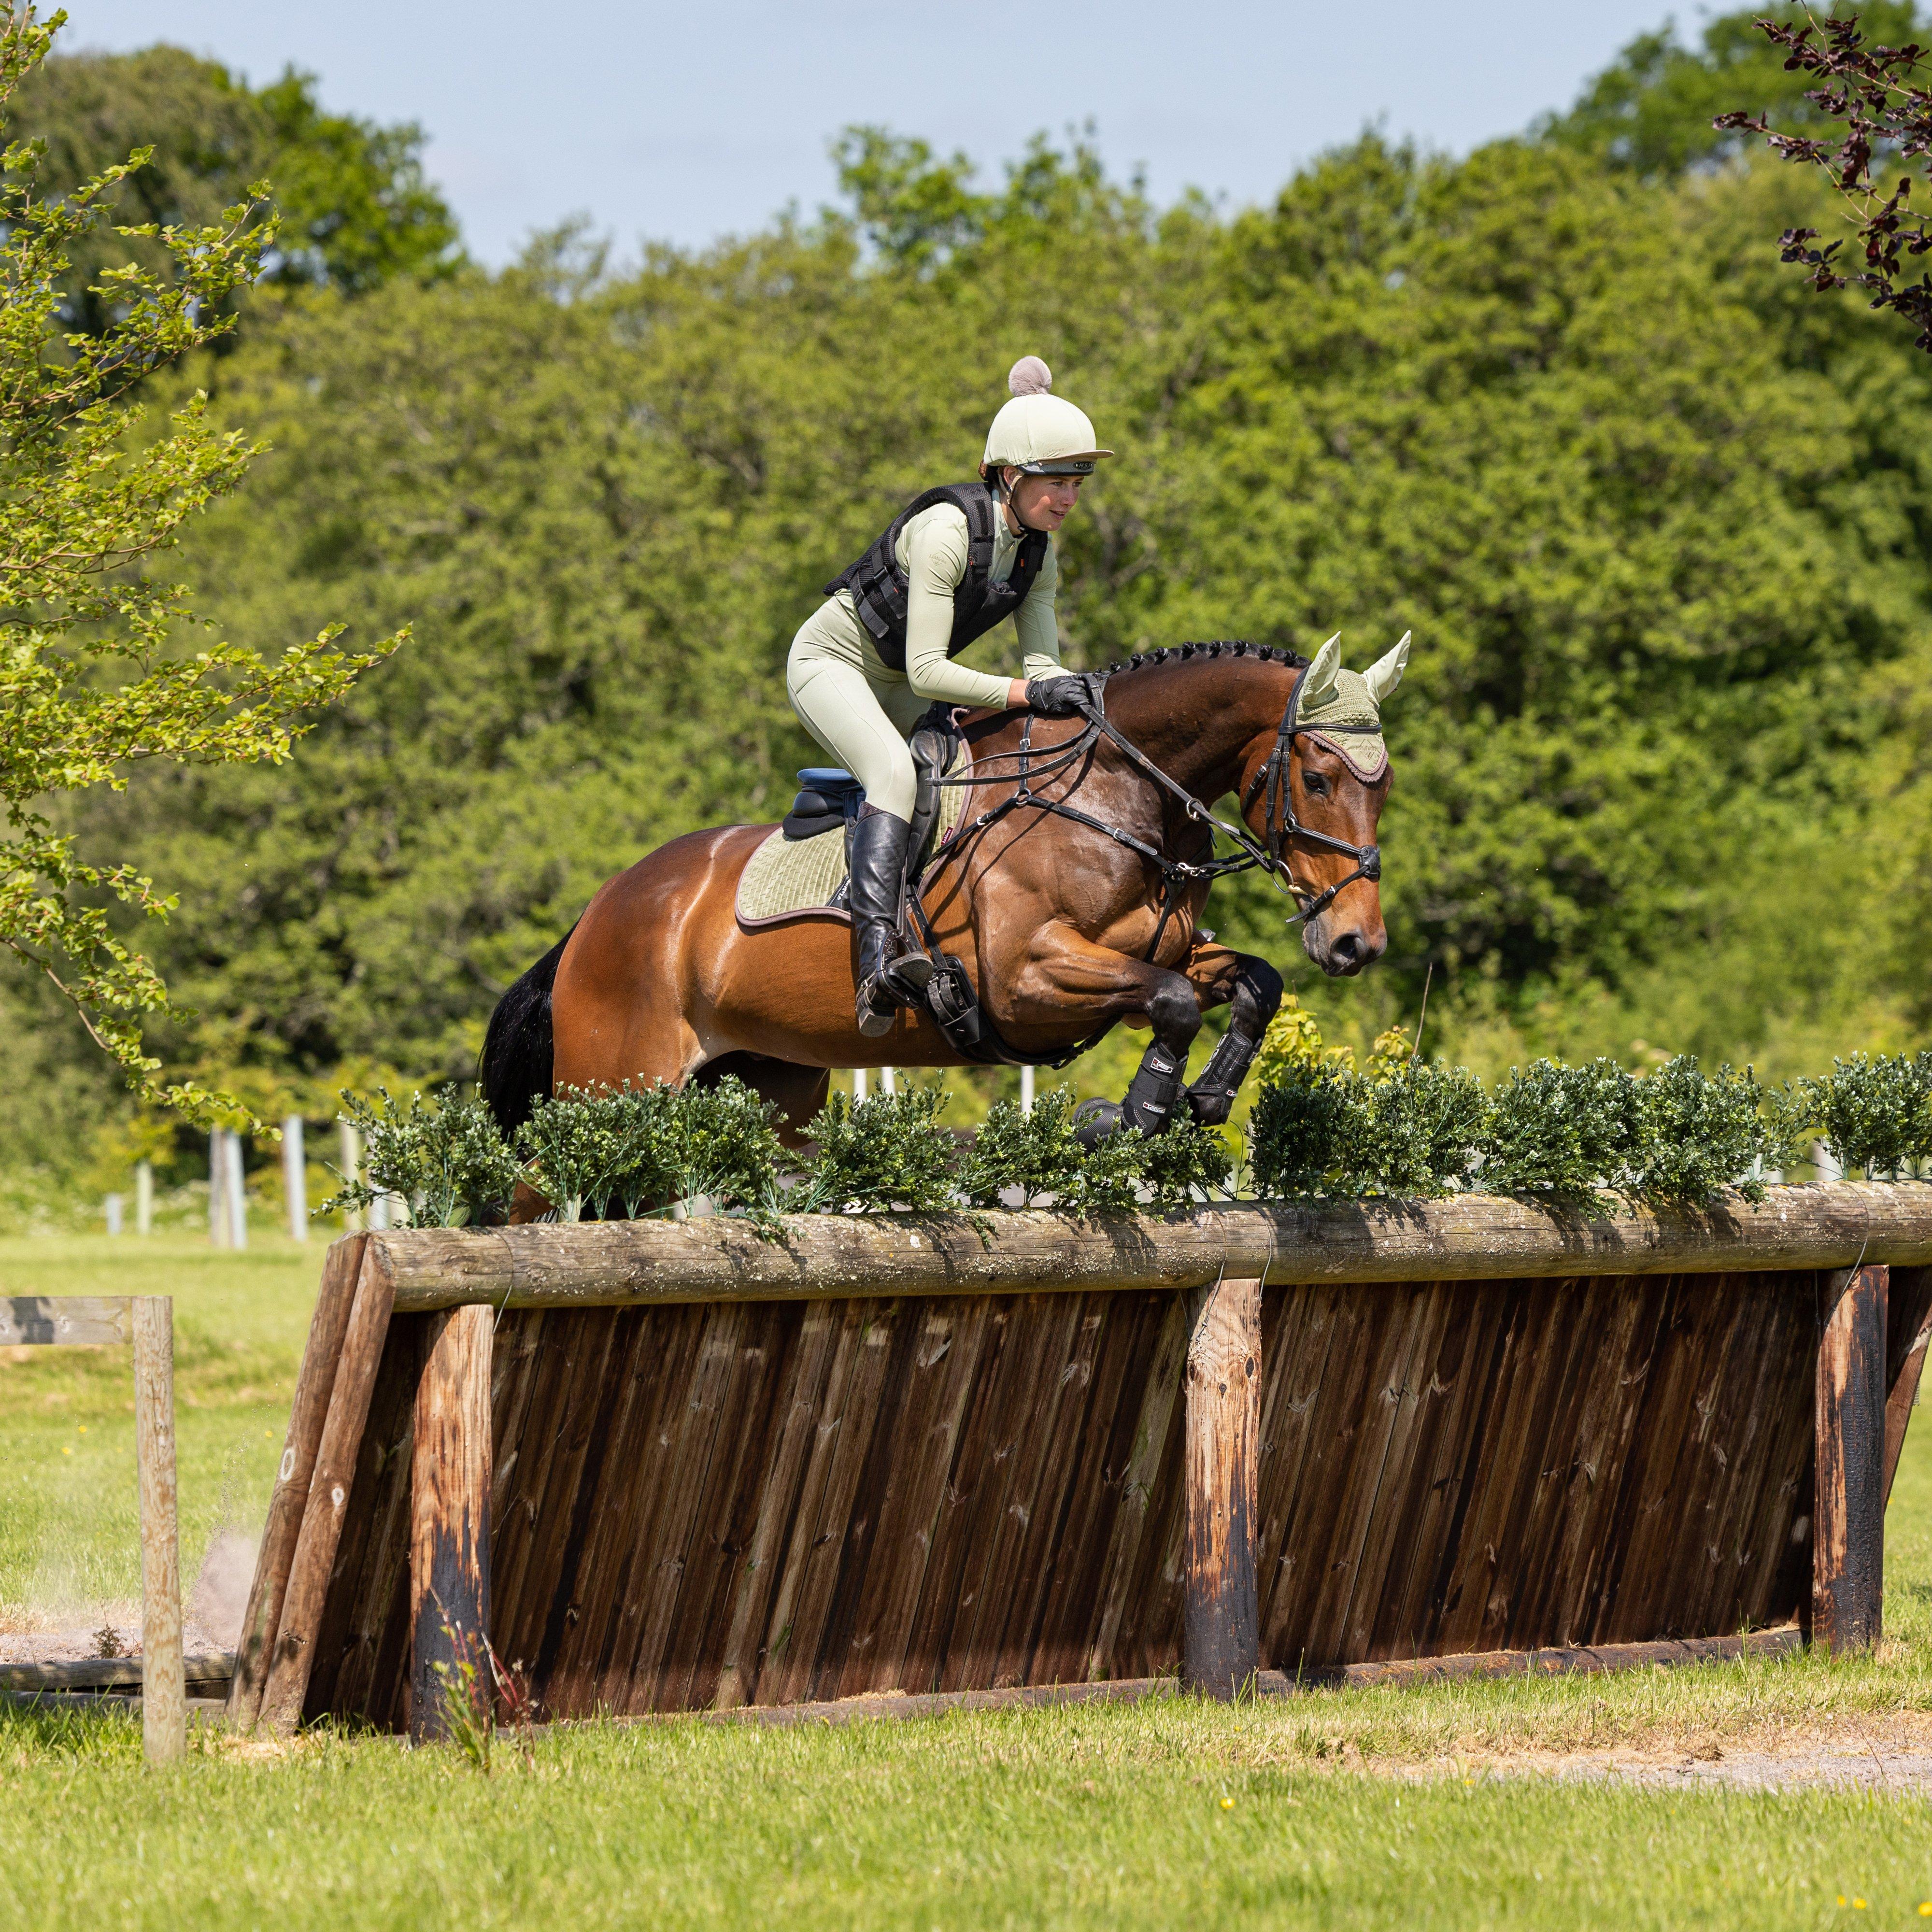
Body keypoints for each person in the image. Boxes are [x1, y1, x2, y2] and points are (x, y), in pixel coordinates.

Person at [788, 355, 1111, 1035]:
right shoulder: (946, 532)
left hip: (900, 680)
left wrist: (1076, 700)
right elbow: (929, 672)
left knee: (984, 772)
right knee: (893, 774)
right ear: (1011, 476)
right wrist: (1028, 691)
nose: (1069, 499)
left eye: (1077, 484)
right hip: (835, 666)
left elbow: (1043, 667)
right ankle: (875, 966)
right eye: (1056, 482)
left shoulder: (1038, 552)